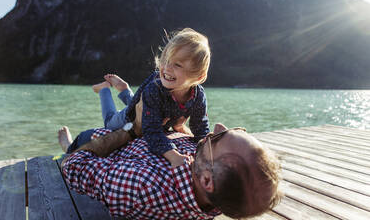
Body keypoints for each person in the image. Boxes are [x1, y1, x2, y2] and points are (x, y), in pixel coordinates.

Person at [59, 123, 282, 219]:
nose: (219, 126)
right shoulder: (213, 190)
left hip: (99, 139)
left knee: (72, 149)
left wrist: (131, 129)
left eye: (219, 138)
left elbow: (73, 166)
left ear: (206, 180)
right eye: (239, 130)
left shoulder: (143, 186)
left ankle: (67, 144)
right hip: (150, 135)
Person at [90, 27, 212, 168]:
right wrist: (174, 156)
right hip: (133, 116)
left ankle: (125, 90)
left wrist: (208, 148)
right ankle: (104, 90)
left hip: (152, 109)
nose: (167, 67)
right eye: (165, 60)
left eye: (177, 65)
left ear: (198, 77)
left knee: (146, 105)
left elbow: (200, 128)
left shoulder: (198, 95)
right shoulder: (154, 89)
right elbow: (151, 130)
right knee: (110, 122)